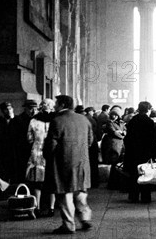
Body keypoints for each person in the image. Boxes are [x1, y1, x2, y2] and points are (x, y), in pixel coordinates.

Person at [43, 95, 93, 234]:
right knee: (81, 192)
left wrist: (47, 156)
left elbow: (51, 144)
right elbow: (90, 141)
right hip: (82, 162)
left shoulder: (57, 121)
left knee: (65, 195)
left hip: (63, 162)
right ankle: (85, 218)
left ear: (62, 104)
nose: (54, 106)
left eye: (56, 103)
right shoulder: (83, 119)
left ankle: (69, 225)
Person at [123, 101, 156, 203]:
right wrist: (153, 153)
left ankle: (133, 196)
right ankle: (145, 197)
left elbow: (127, 138)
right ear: (148, 110)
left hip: (133, 152)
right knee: (146, 174)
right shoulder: (149, 122)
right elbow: (152, 139)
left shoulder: (132, 121)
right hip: (145, 152)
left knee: (134, 174)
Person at [26, 98, 56, 217]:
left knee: (37, 182)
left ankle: (37, 207)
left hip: (37, 152)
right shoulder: (56, 120)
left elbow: (29, 138)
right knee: (52, 181)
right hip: (52, 153)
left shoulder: (33, 120)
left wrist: (36, 143)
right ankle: (51, 208)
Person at [11, 99, 38, 183]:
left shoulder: (38, 121)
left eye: (35, 108)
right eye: (30, 108)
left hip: (34, 153)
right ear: (25, 108)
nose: (33, 111)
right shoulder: (17, 120)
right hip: (21, 153)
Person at [102, 108, 126, 190]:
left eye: (116, 115)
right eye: (113, 114)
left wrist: (120, 132)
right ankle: (112, 184)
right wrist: (121, 134)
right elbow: (113, 132)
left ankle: (117, 183)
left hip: (120, 145)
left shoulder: (121, 123)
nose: (114, 116)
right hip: (113, 145)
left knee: (118, 164)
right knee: (114, 163)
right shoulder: (109, 122)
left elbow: (125, 131)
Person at [0, 102, 15, 181]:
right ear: (2, 111)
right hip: (3, 154)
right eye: (6, 109)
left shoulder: (18, 121)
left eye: (10, 109)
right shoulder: (0, 122)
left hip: (15, 154)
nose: (9, 111)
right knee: (4, 176)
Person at [84, 107, 100, 188]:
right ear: (89, 111)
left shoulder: (85, 118)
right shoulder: (91, 119)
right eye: (92, 111)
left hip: (88, 142)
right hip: (92, 142)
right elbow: (96, 131)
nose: (93, 112)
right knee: (93, 163)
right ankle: (94, 182)